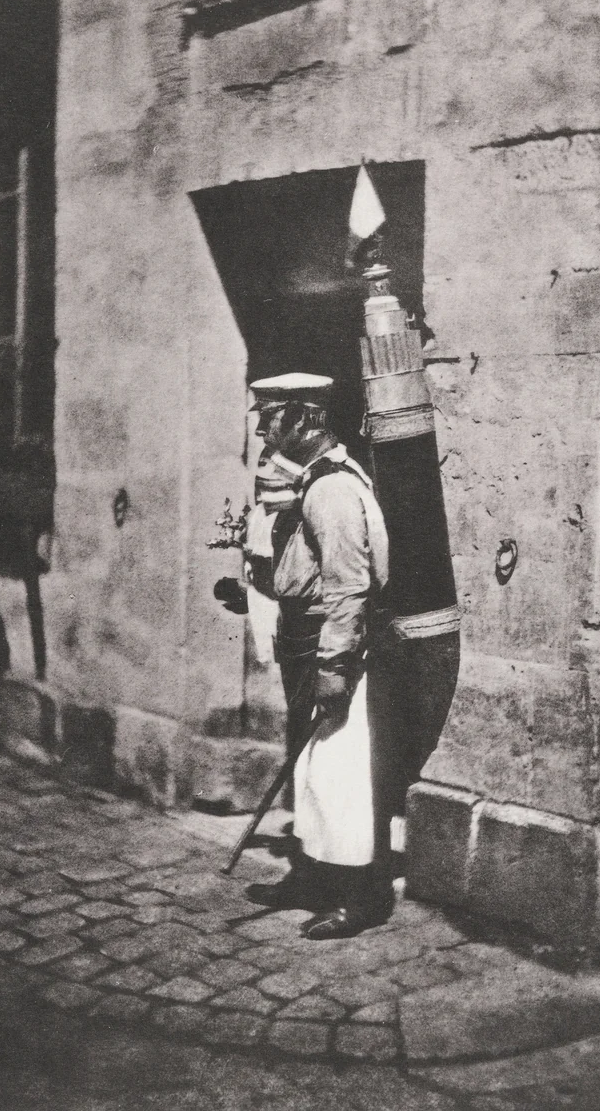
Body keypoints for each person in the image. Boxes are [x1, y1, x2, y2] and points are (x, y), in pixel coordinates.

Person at [241, 372, 395, 940]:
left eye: (270, 415)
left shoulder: (330, 488)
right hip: (307, 638)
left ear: (304, 419)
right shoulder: (312, 479)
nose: (261, 427)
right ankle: (311, 878)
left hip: (332, 646)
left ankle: (361, 898)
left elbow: (350, 587)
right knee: (309, 767)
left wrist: (334, 667)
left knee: (340, 769)